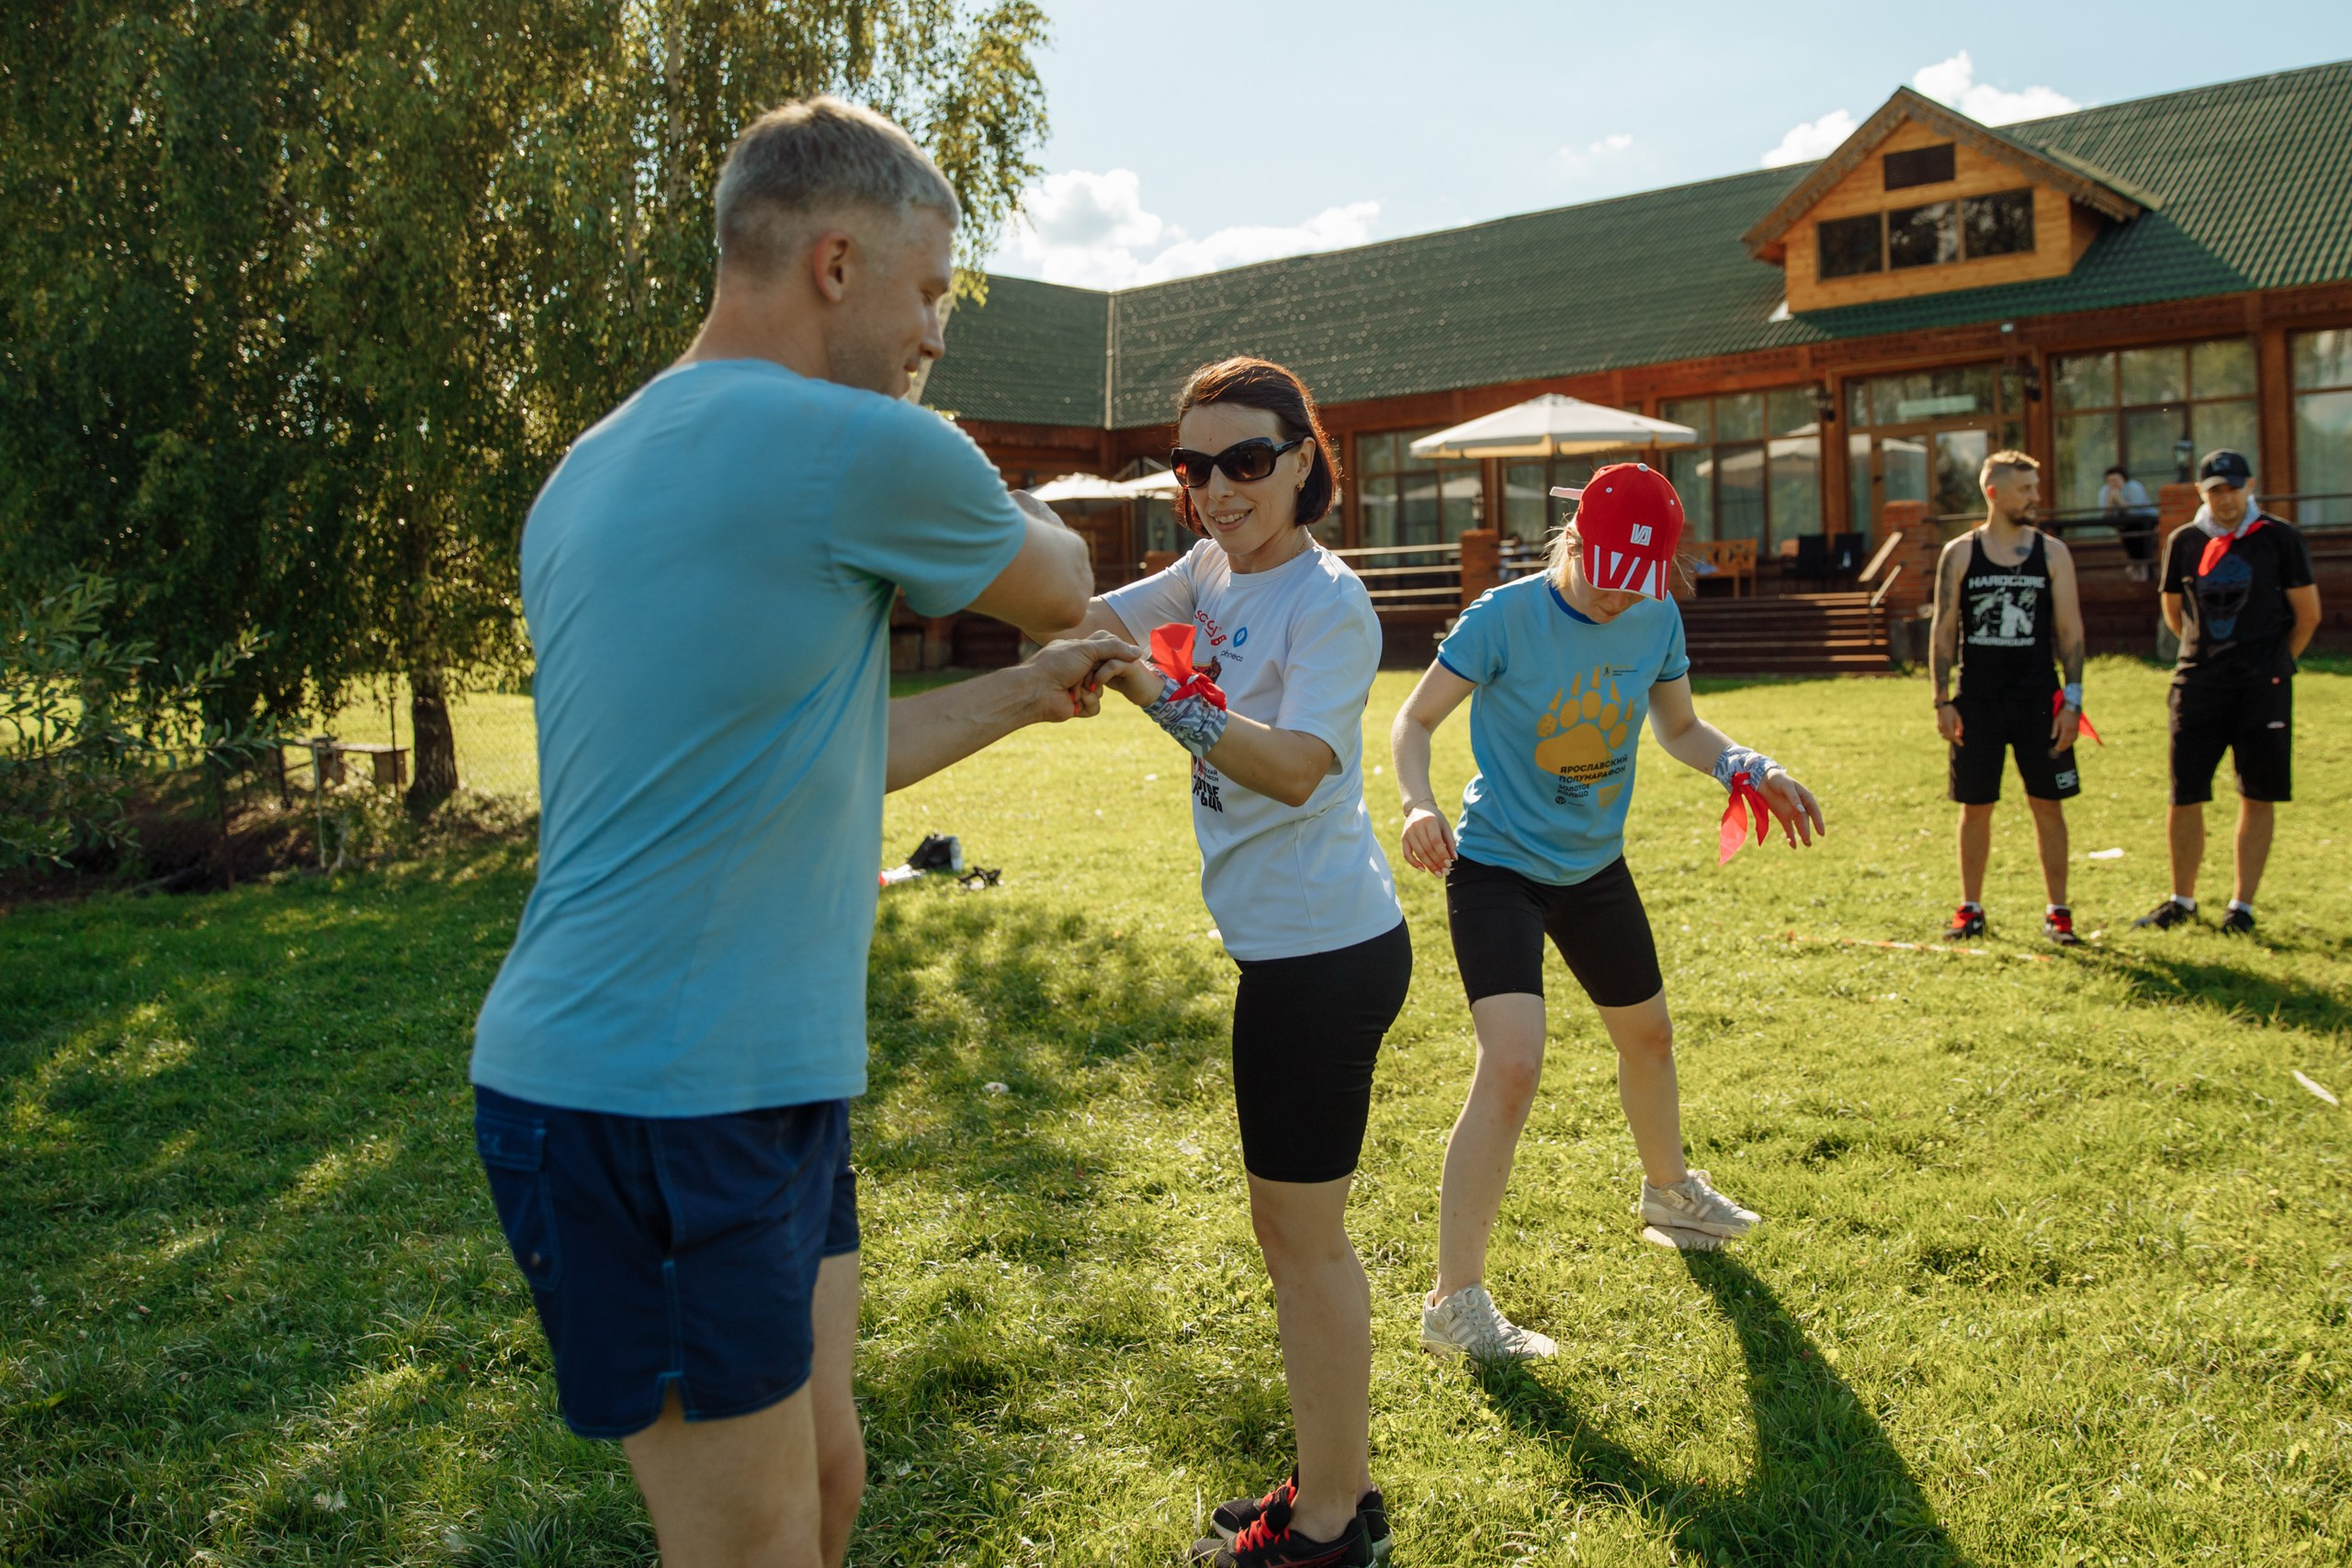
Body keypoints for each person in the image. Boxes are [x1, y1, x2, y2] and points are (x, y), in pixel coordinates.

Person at [468, 97, 1134, 1568]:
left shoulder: (594, 461)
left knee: (827, 1484)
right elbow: (1069, 569)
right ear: (837, 263)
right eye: (934, 292)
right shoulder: (852, 443)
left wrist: (1024, 697)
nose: (937, 337)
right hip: (657, 1094)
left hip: (743, 1081)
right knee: (750, 1545)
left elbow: (792, 761)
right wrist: (967, 496)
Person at [1056, 357, 1407, 1568]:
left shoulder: (1330, 603)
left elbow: (1302, 764)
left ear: (1305, 457)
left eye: (1245, 462)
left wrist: (1160, 688)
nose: (1215, 490)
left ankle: (1326, 1524)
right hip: (1289, 952)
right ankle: (1336, 1480)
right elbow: (1095, 608)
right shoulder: (1210, 570)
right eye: (1192, 468)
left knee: (1303, 1243)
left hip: (1323, 956)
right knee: (1291, 1234)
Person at [1388, 464, 1823, 1363]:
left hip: (1592, 867)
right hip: (1497, 865)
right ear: (1573, 544)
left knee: (1650, 1036)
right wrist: (1413, 804)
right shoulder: (1503, 618)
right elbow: (1413, 721)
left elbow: (1679, 729)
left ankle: (1669, 1194)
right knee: (1510, 1066)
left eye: (1643, 585)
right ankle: (1453, 1302)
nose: (1624, 601)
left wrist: (1748, 766)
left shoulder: (1654, 614)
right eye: (1608, 579)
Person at [2134, 448, 2322, 936]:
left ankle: (2242, 906)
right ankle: (2182, 899)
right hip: (2199, 684)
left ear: (2250, 485)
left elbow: (2308, 614)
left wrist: (2275, 663)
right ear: (2202, 493)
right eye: (2216, 490)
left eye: (2234, 488)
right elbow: (2174, 612)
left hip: (2263, 686)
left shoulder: (2280, 539)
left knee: (2256, 794)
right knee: (2185, 793)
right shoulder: (2184, 541)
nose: (2226, 498)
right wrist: (2205, 653)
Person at [1928, 451, 2090, 946]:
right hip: (1976, 700)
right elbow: (1944, 629)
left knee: (2049, 804)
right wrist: (1941, 699)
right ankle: (1971, 908)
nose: (2035, 497)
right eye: (2026, 489)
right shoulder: (1960, 553)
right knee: (1975, 805)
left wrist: (2073, 701)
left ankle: (2058, 912)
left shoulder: (2052, 554)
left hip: (2039, 699)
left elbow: (2071, 632)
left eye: (2036, 488)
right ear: (1994, 493)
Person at [2102, 463, 2157, 565]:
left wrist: (2118, 498)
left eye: (2116, 480)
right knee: (2128, 539)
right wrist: (2110, 499)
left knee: (2141, 542)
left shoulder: (2134, 487)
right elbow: (2106, 514)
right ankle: (2136, 565)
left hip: (2143, 520)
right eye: (2110, 481)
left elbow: (2133, 511)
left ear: (2123, 479)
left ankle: (2142, 566)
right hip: (2124, 523)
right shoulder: (2105, 490)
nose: (2113, 484)